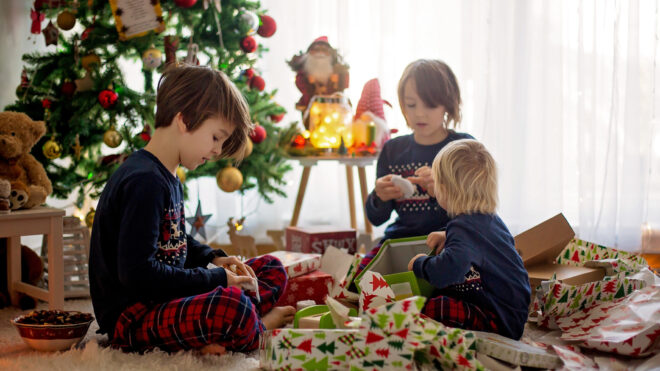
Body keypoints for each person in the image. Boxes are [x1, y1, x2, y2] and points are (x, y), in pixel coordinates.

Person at [89, 64, 295, 355]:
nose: (217, 151)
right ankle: (257, 327)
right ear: (184, 120)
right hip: (134, 315)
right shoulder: (143, 181)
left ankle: (222, 332)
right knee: (233, 307)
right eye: (215, 138)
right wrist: (215, 279)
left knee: (270, 269)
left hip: (165, 297)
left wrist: (213, 258)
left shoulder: (166, 175)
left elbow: (173, 239)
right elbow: (137, 274)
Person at [407, 139, 530, 340]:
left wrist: (420, 264)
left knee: (435, 306)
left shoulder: (463, 227)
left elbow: (447, 272)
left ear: (445, 189)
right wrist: (447, 235)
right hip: (512, 313)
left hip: (498, 319)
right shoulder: (488, 219)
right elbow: (477, 243)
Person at [358, 59, 473, 273]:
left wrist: (443, 189)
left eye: (430, 104)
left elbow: (478, 211)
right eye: (412, 104)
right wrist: (380, 197)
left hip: (448, 240)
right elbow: (376, 218)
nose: (420, 113)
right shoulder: (392, 150)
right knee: (360, 279)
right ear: (402, 105)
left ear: (447, 103)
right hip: (400, 240)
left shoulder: (463, 148)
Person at [287, 36, 350, 121]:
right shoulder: (304, 72)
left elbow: (344, 85)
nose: (320, 53)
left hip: (335, 108)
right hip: (311, 107)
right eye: (316, 50)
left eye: (324, 50)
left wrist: (338, 80)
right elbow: (300, 83)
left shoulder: (338, 70)